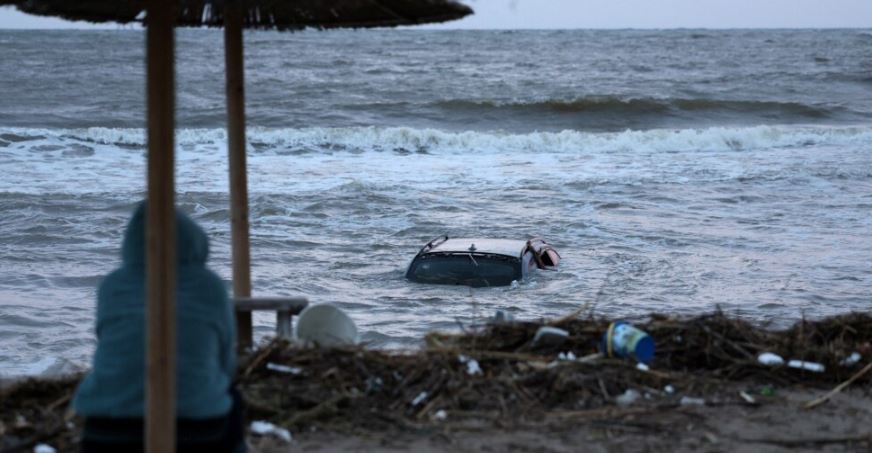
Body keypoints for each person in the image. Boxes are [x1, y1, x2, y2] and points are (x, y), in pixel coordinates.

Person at [73, 202, 245, 452]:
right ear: (193, 240)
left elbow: (109, 343)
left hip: (107, 429)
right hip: (198, 430)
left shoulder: (112, 286)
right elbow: (226, 362)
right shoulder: (210, 286)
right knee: (232, 397)